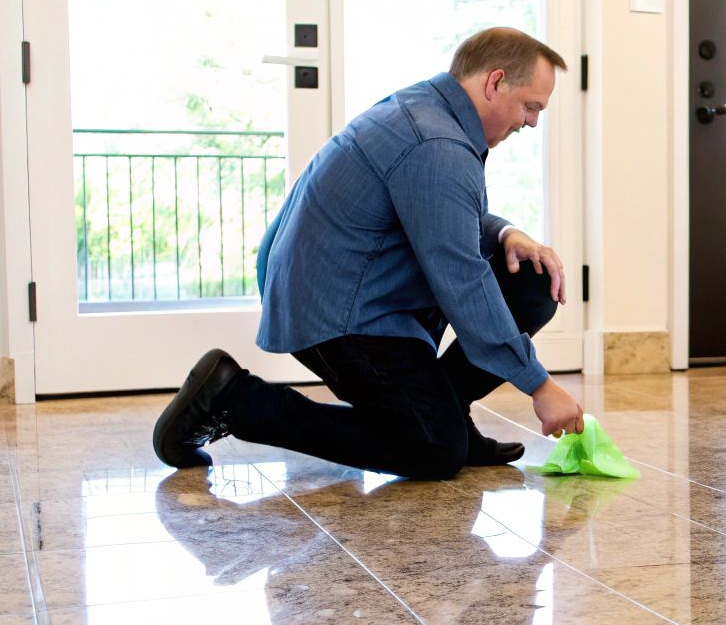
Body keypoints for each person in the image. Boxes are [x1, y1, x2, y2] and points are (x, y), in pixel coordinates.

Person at [151, 26, 586, 480]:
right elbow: (461, 280)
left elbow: (436, 213)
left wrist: (504, 233)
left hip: (355, 288)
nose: (533, 122)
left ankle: (449, 412)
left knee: (531, 281)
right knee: (434, 449)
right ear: (494, 83)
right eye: (531, 106)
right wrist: (539, 385)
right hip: (339, 312)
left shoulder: (430, 111)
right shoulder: (437, 143)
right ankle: (234, 401)